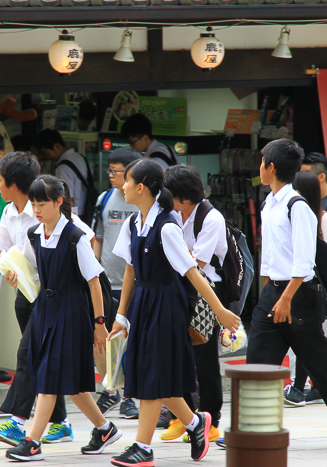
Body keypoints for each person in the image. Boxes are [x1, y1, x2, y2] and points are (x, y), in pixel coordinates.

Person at [107, 159, 240, 467]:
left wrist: (220, 311)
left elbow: (193, 273)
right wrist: (121, 315)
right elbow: (130, 271)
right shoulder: (133, 223)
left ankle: (143, 448)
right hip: (143, 302)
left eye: (126, 180)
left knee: (152, 375)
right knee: (145, 373)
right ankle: (195, 424)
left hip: (167, 306)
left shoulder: (167, 226)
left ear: (140, 187)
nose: (122, 186)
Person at [245, 139, 327, 448]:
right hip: (274, 293)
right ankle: (253, 427)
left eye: (262, 162)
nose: (259, 167)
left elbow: (303, 262)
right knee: (259, 358)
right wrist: (271, 294)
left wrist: (285, 298)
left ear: (271, 168)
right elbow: (272, 257)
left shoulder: (297, 207)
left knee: (318, 362)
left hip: (298, 295)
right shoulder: (269, 203)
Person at [4, 175, 122, 462]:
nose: (36, 208)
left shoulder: (75, 237)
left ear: (59, 202)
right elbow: (30, 270)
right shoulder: (35, 233)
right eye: (33, 203)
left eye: (42, 202)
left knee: (48, 378)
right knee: (73, 385)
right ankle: (105, 429)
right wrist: (13, 275)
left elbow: (94, 282)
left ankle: (32, 442)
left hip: (72, 313)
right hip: (45, 310)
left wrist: (99, 324)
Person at [0, 152, 75, 447]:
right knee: (42, 359)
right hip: (26, 296)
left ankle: (17, 421)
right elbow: (2, 251)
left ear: (14, 184)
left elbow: (80, 239)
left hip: (52, 296)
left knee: (28, 355)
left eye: (1, 181)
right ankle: (63, 423)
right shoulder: (8, 212)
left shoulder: (45, 210)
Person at [162, 164, 226, 444]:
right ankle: (183, 416)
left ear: (185, 197)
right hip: (180, 288)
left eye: (171, 196)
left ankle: (211, 418)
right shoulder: (174, 215)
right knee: (177, 355)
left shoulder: (212, 218)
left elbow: (196, 263)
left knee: (204, 358)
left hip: (206, 292)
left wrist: (180, 254)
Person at [285, 152, 327, 406]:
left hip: (323, 285)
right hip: (314, 285)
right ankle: (307, 385)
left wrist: (321, 288)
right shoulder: (313, 211)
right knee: (313, 337)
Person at [92, 147, 142, 420]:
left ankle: (130, 397)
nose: (110, 175)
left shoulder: (141, 200)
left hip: (136, 285)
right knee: (109, 340)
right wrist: (95, 272)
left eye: (116, 171)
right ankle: (112, 390)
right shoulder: (104, 198)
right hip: (108, 282)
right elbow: (98, 237)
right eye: (109, 170)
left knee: (132, 341)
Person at [35, 129, 93, 220]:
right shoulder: (81, 158)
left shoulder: (62, 168)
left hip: (75, 215)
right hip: (89, 210)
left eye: (47, 153)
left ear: (56, 146)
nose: (48, 157)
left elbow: (68, 198)